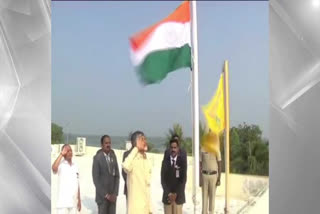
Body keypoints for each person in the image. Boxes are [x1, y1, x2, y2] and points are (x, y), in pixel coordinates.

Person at [122, 131, 152, 214]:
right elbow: (125, 166)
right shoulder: (132, 159)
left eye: (145, 139)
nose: (145, 141)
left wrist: (150, 208)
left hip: (145, 207)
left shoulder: (145, 159)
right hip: (136, 208)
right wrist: (136, 148)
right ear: (136, 142)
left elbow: (147, 186)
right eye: (142, 139)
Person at [92, 135, 120, 214]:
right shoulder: (97, 158)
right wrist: (107, 195)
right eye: (106, 143)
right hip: (102, 198)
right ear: (102, 145)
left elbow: (117, 176)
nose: (108, 145)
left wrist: (115, 193)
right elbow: (96, 180)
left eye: (109, 143)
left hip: (113, 198)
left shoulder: (113, 156)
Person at [52, 144, 81, 214]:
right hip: (62, 203)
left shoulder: (75, 166)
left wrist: (79, 200)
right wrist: (61, 154)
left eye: (71, 150)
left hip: (73, 202)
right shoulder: (61, 165)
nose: (70, 152)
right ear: (64, 153)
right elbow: (53, 168)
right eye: (67, 151)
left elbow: (77, 183)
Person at [161, 139, 187, 214]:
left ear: (178, 149)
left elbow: (183, 180)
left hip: (178, 198)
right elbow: (163, 180)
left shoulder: (182, 162)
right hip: (167, 197)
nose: (173, 150)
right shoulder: (165, 162)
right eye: (171, 148)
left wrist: (175, 194)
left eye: (175, 148)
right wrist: (169, 194)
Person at [200, 132, 222, 214]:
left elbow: (219, 164)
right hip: (204, 175)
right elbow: (200, 164)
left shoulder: (216, 149)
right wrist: (200, 179)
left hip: (213, 176)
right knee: (204, 197)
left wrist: (219, 178)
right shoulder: (202, 149)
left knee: (212, 197)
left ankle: (211, 212)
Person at [122, 134, 136, 209]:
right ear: (133, 142)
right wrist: (131, 182)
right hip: (129, 187)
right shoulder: (126, 154)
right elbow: (124, 172)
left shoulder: (142, 155)